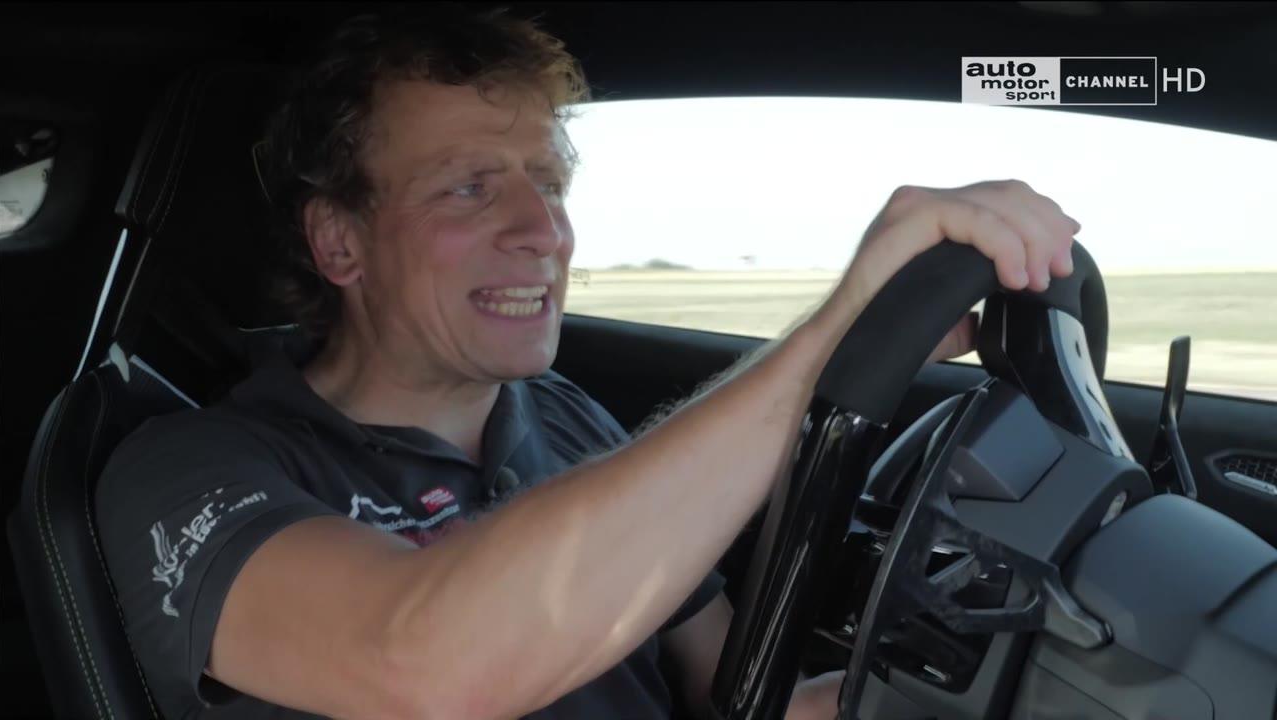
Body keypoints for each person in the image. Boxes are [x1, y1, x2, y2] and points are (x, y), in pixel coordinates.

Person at [96, 7, 1078, 720]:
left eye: (548, 182)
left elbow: (734, 688)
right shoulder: (188, 472)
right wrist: (831, 338)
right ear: (340, 242)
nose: (543, 229)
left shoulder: (565, 419)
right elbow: (420, 662)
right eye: (469, 187)